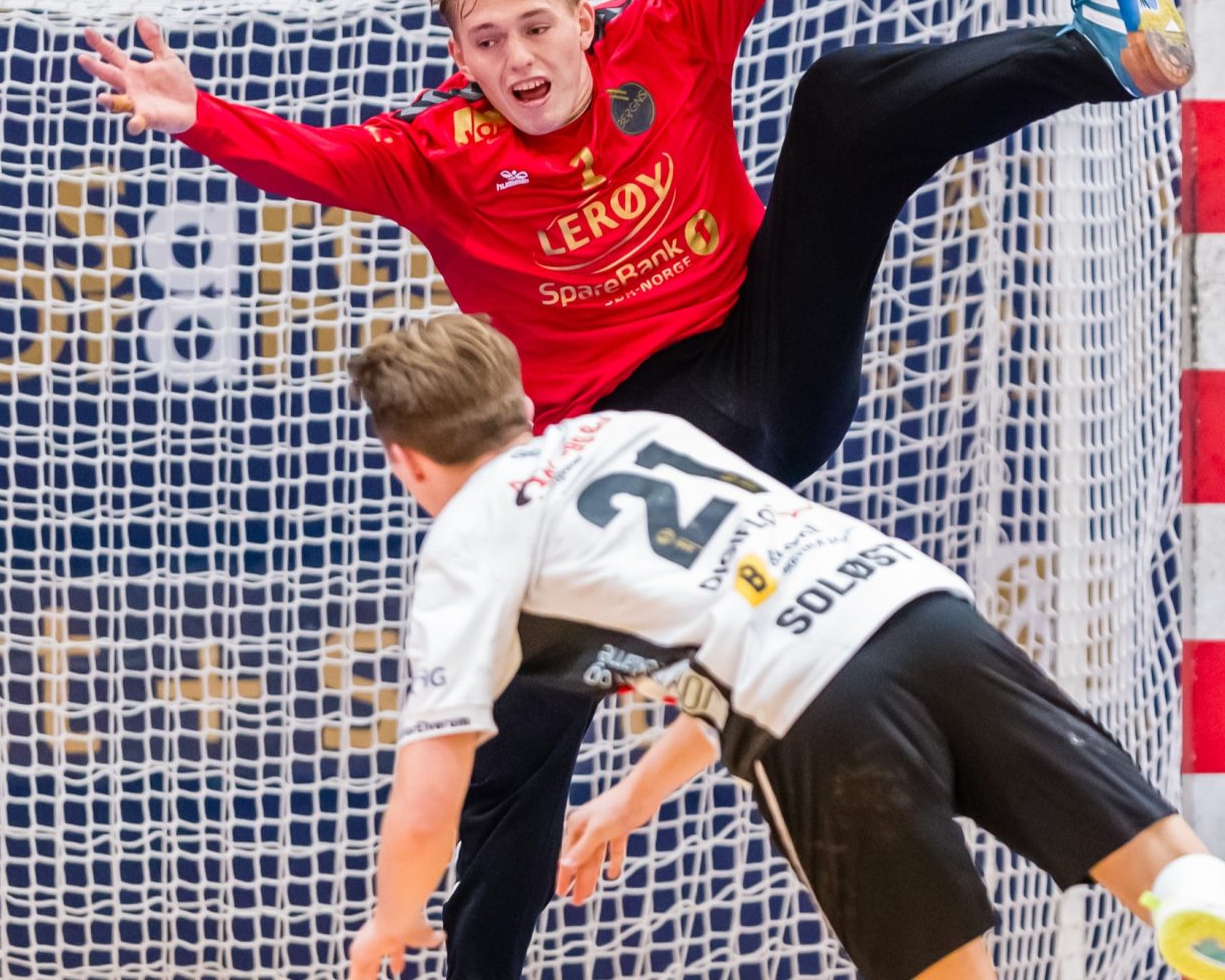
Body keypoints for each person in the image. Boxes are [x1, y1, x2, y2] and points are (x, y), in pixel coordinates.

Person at [76, 0, 1193, 980]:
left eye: (534, 26)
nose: (517, 58)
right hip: (638, 437)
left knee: (842, 107)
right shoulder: (438, 156)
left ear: (583, 21)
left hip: (770, 353)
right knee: (516, 727)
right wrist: (195, 115)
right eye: (488, 42)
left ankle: (1111, 57)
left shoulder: (673, 32)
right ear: (463, 61)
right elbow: (305, 161)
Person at [342, 313, 1224, 980]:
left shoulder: (466, 544)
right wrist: (634, 798)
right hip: (918, 610)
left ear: (406, 459)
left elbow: (429, 793)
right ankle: (1199, 893)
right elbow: (755, 624)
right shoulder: (631, 430)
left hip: (817, 714)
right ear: (524, 405)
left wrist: (393, 915)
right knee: (1160, 865)